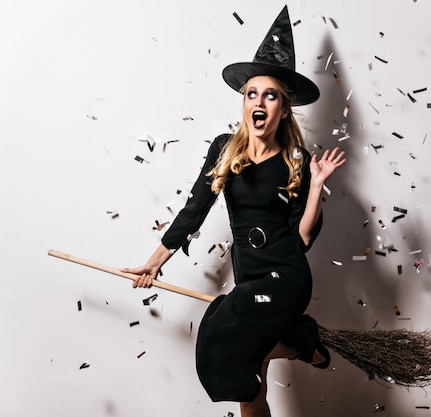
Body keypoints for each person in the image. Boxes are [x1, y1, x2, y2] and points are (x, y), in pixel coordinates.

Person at [121, 6, 345, 417]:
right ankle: (299, 342)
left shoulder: (297, 159)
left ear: (284, 108)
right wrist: (152, 265)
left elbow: (304, 239)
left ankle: (302, 341)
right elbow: (195, 210)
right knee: (249, 374)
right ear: (244, 103)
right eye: (251, 94)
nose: (259, 102)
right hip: (249, 274)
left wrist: (315, 188)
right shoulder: (225, 150)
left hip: (286, 275)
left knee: (231, 337)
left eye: (270, 95)